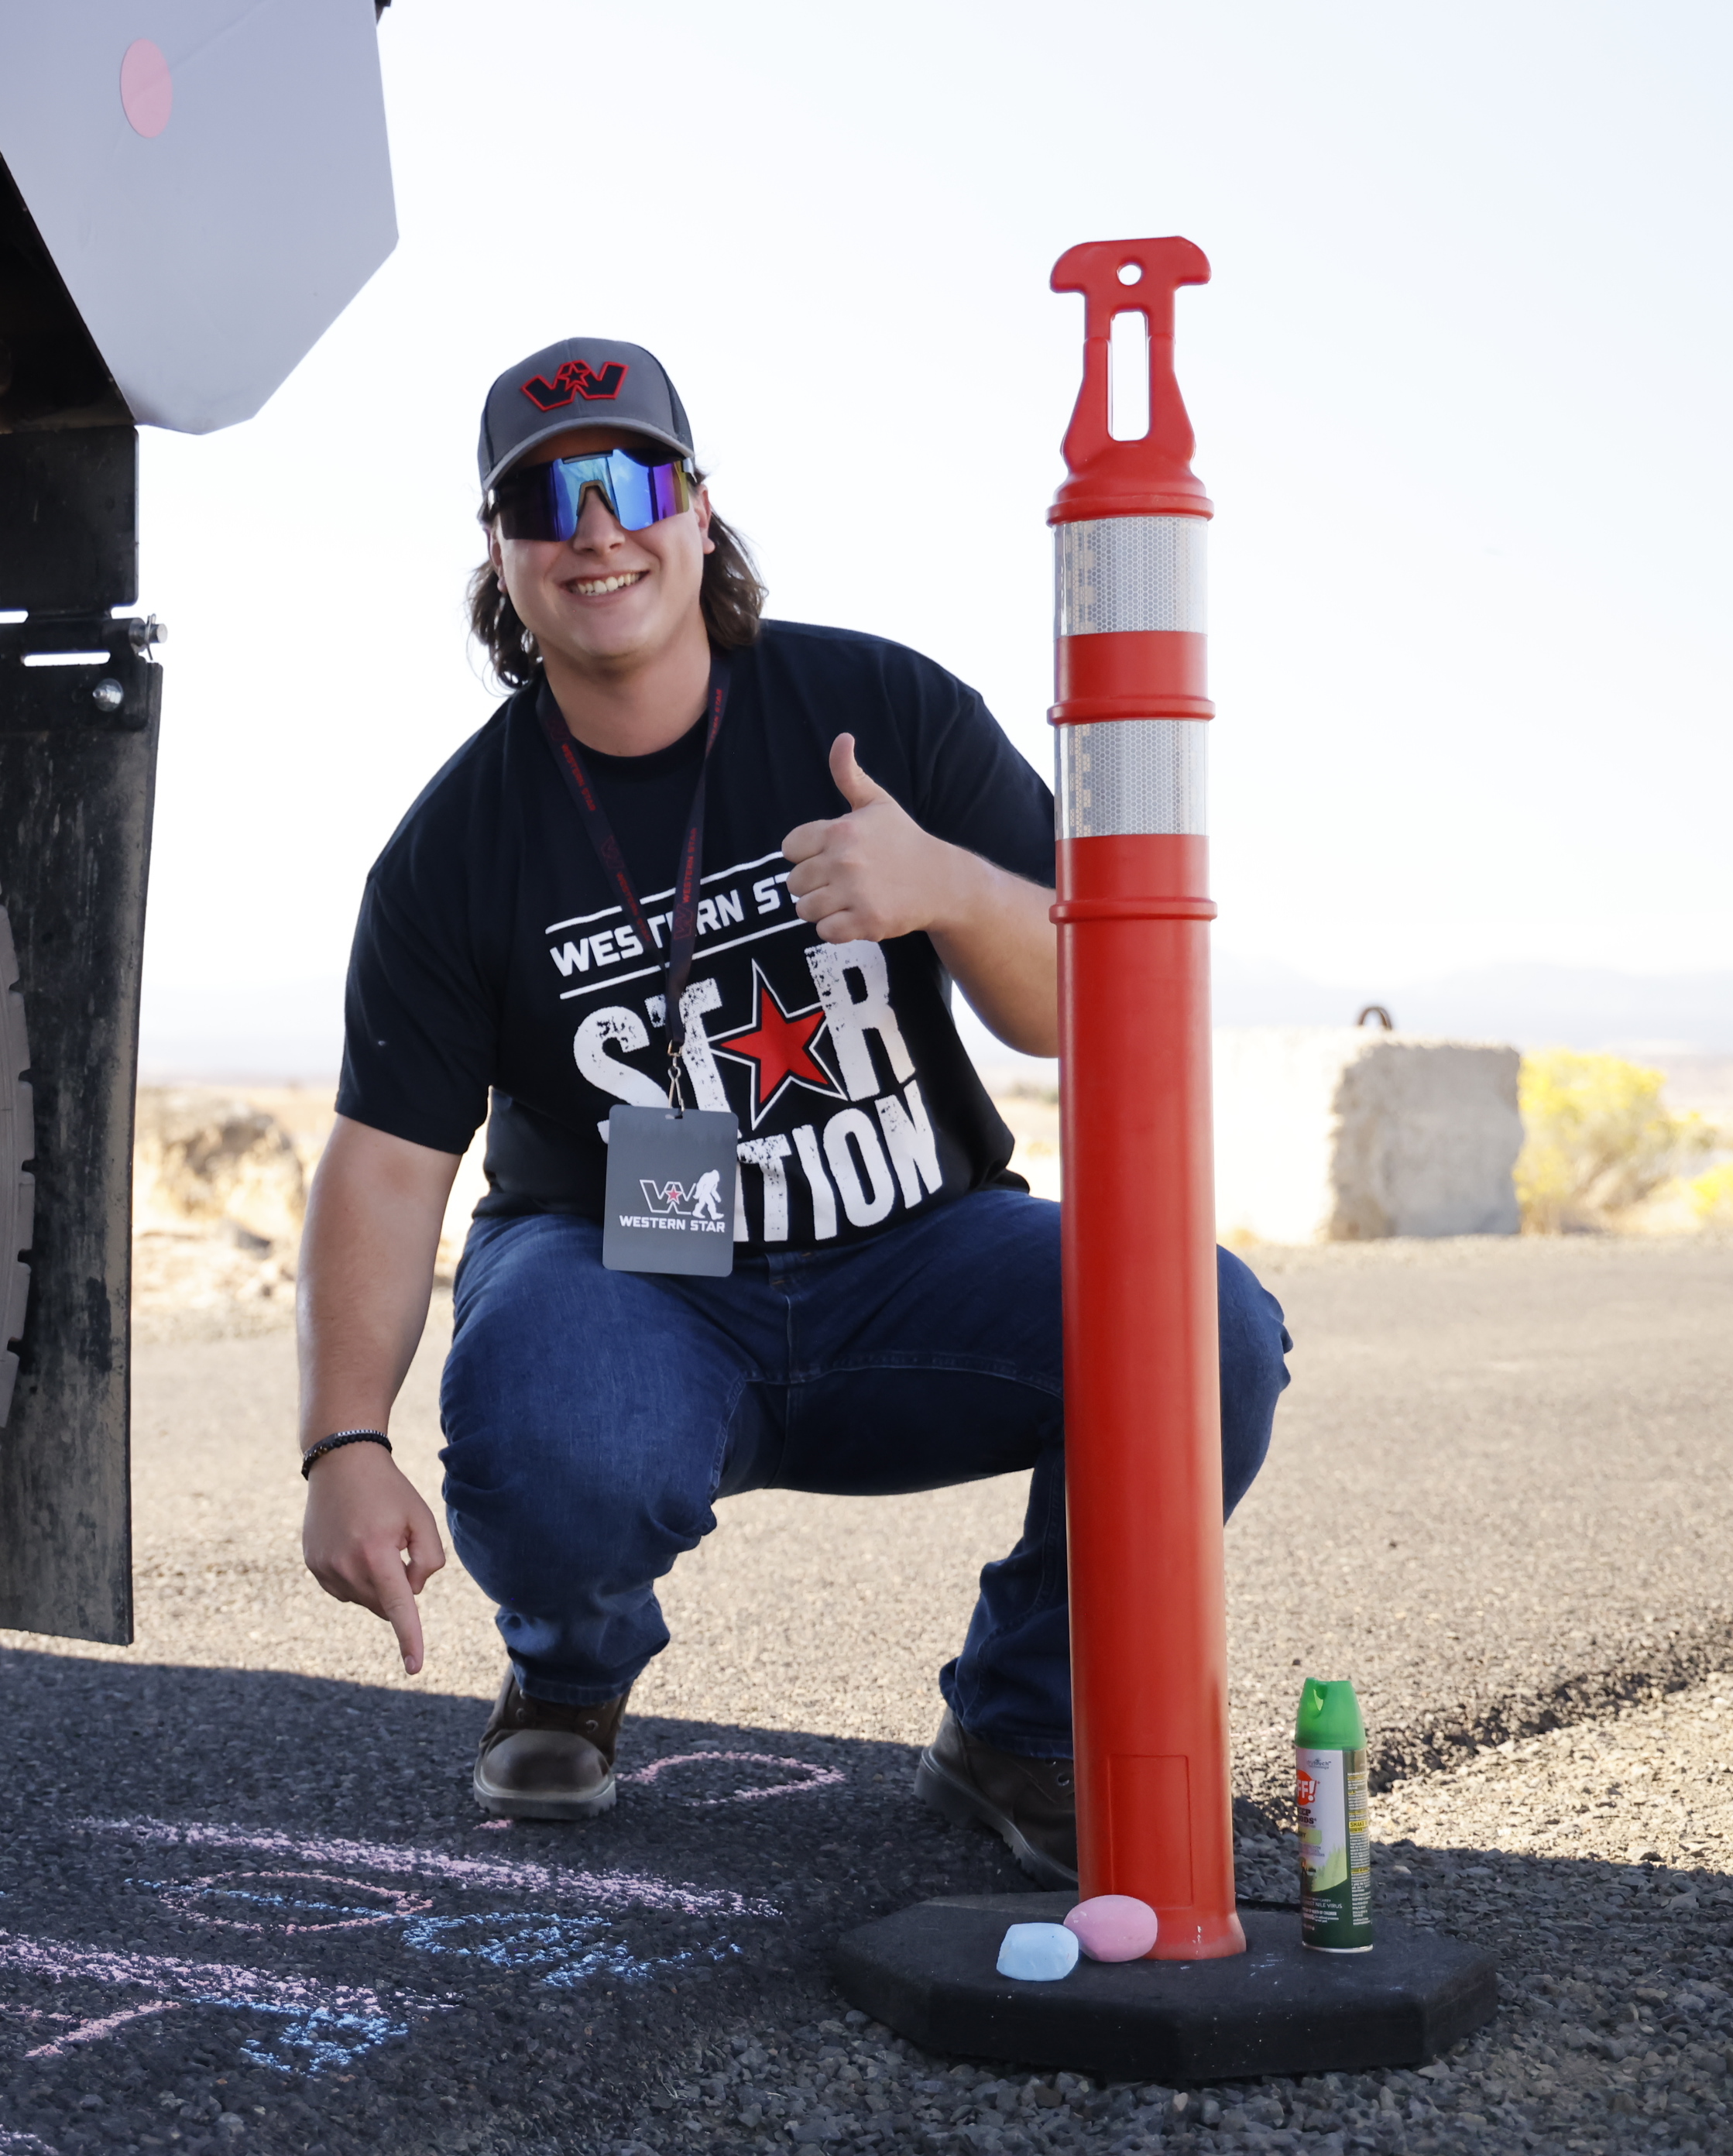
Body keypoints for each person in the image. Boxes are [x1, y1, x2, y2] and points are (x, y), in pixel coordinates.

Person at [291, 337, 1291, 1882]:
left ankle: (1022, 1728)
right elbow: (387, 1159)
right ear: (500, 555)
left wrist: (944, 888)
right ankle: (570, 1665)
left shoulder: (870, 706)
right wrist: (340, 1441)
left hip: (913, 1258)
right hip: (634, 1281)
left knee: (1205, 1331)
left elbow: (1095, 1015)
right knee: (548, 1413)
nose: (593, 527)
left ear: (699, 508)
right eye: (541, 500)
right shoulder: (456, 845)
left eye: (630, 480)